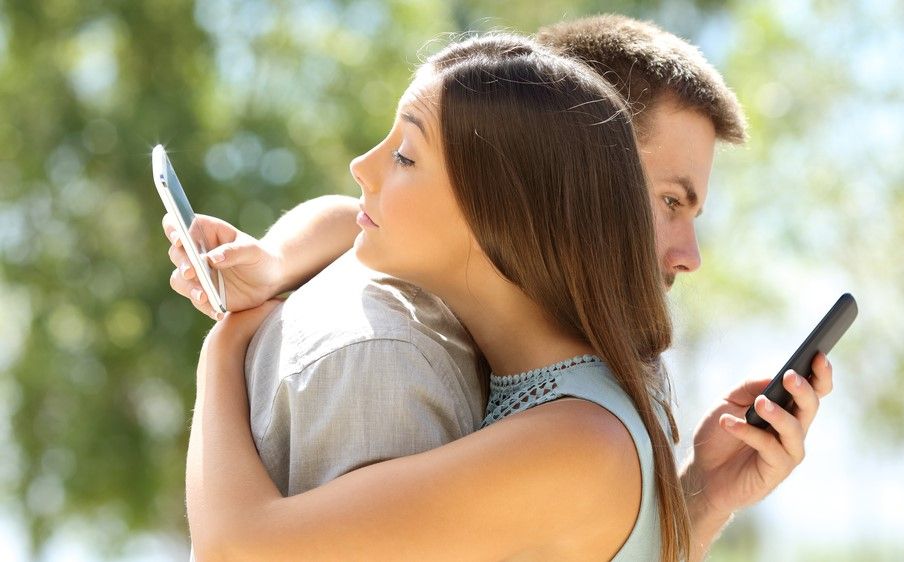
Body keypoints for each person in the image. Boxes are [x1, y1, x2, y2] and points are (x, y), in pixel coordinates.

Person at [168, 15, 834, 560]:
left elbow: (238, 548)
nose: (687, 256)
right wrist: (699, 495)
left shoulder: (574, 436)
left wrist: (225, 346)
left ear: (515, 193)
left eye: (404, 154)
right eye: (667, 201)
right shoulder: (549, 382)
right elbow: (347, 216)